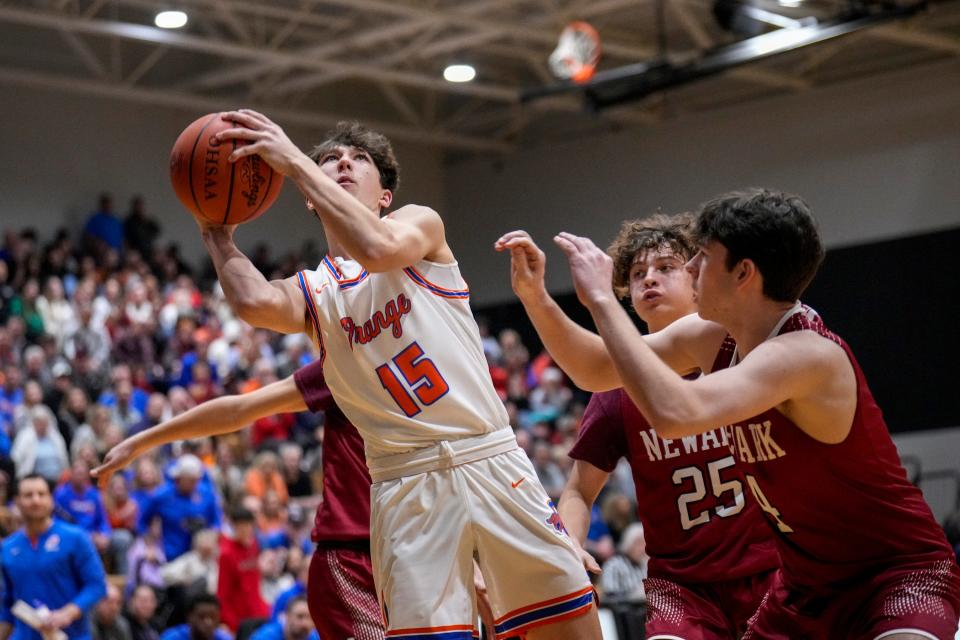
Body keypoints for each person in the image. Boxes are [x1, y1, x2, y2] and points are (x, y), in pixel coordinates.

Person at [191, 111, 600, 639]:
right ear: (312, 199)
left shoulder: (419, 225)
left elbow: (377, 249)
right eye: (329, 160)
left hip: (489, 457)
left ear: (385, 195)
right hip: (403, 486)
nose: (342, 162)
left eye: (357, 159)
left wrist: (294, 162)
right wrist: (215, 232)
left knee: (569, 631)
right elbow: (255, 302)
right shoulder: (317, 290)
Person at [528, 188, 960, 639]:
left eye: (703, 258)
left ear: (743, 274)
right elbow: (596, 368)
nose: (692, 267)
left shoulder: (806, 355)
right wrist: (536, 297)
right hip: (803, 588)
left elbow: (675, 412)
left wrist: (602, 300)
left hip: (893, 577)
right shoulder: (712, 336)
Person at [497, 214, 779, 638]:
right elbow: (577, 489)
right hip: (680, 585)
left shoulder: (735, 348)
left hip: (769, 567)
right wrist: (569, 542)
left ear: (696, 278)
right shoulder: (615, 390)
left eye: (666, 268)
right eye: (637, 273)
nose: (650, 279)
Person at [93, 360, 493, 640]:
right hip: (352, 557)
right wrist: (141, 441)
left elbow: (457, 475)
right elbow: (241, 409)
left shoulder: (449, 370)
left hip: (423, 559)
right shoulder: (347, 363)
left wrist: (469, 556)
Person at [0, 474, 107, 640]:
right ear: (17, 502)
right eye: (28, 495)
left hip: (69, 635)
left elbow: (96, 585)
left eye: (41, 494)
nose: (36, 500)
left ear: (51, 499)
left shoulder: (75, 538)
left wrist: (68, 613)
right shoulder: (7, 548)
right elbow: (8, 604)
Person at [137, 454, 221, 561]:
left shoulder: (207, 494)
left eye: (197, 480)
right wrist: (150, 546)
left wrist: (210, 538)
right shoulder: (162, 496)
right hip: (171, 556)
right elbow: (142, 522)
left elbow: (216, 522)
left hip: (201, 556)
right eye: (190, 480)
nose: (195, 484)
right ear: (178, 479)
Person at [217, 508, 270, 633]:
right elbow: (223, 593)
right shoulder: (226, 553)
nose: (246, 530)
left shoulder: (254, 545)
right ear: (233, 526)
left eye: (249, 525)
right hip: (239, 617)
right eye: (242, 526)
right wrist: (231, 623)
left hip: (257, 610)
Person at [158, 594, 232, 640]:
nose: (208, 622)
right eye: (202, 617)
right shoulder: (172, 637)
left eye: (213, 617)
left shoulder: (224, 638)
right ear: (189, 617)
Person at [248, 598, 317, 640]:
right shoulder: (266, 636)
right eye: (300, 616)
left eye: (310, 618)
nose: (305, 623)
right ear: (287, 616)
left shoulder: (313, 637)